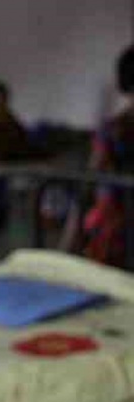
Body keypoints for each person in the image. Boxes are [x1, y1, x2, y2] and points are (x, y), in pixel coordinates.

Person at [61, 45, 134, 267]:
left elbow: (89, 185)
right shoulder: (114, 132)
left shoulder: (112, 130)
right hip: (116, 236)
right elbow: (89, 184)